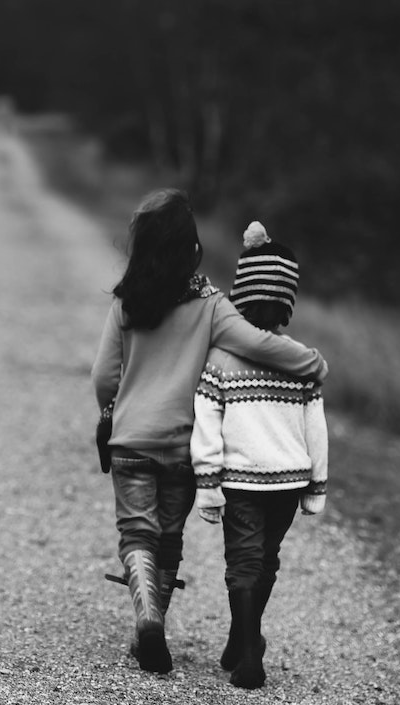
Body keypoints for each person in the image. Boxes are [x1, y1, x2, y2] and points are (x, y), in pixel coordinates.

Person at [90, 191, 328, 675]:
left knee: (137, 532)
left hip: (131, 441)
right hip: (182, 446)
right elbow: (258, 343)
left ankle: (148, 618)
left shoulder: (126, 303)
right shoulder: (211, 305)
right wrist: (312, 363)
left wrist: (114, 412)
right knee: (169, 538)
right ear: (191, 249)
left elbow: (103, 377)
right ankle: (156, 621)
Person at [191, 221, 329, 690]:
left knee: (243, 563)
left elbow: (206, 424)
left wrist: (207, 484)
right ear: (287, 305)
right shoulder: (299, 361)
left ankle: (248, 650)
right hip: (288, 482)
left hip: (241, 481)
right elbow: (317, 429)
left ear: (239, 297)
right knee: (266, 560)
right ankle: (243, 638)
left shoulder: (221, 359)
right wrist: (317, 485)